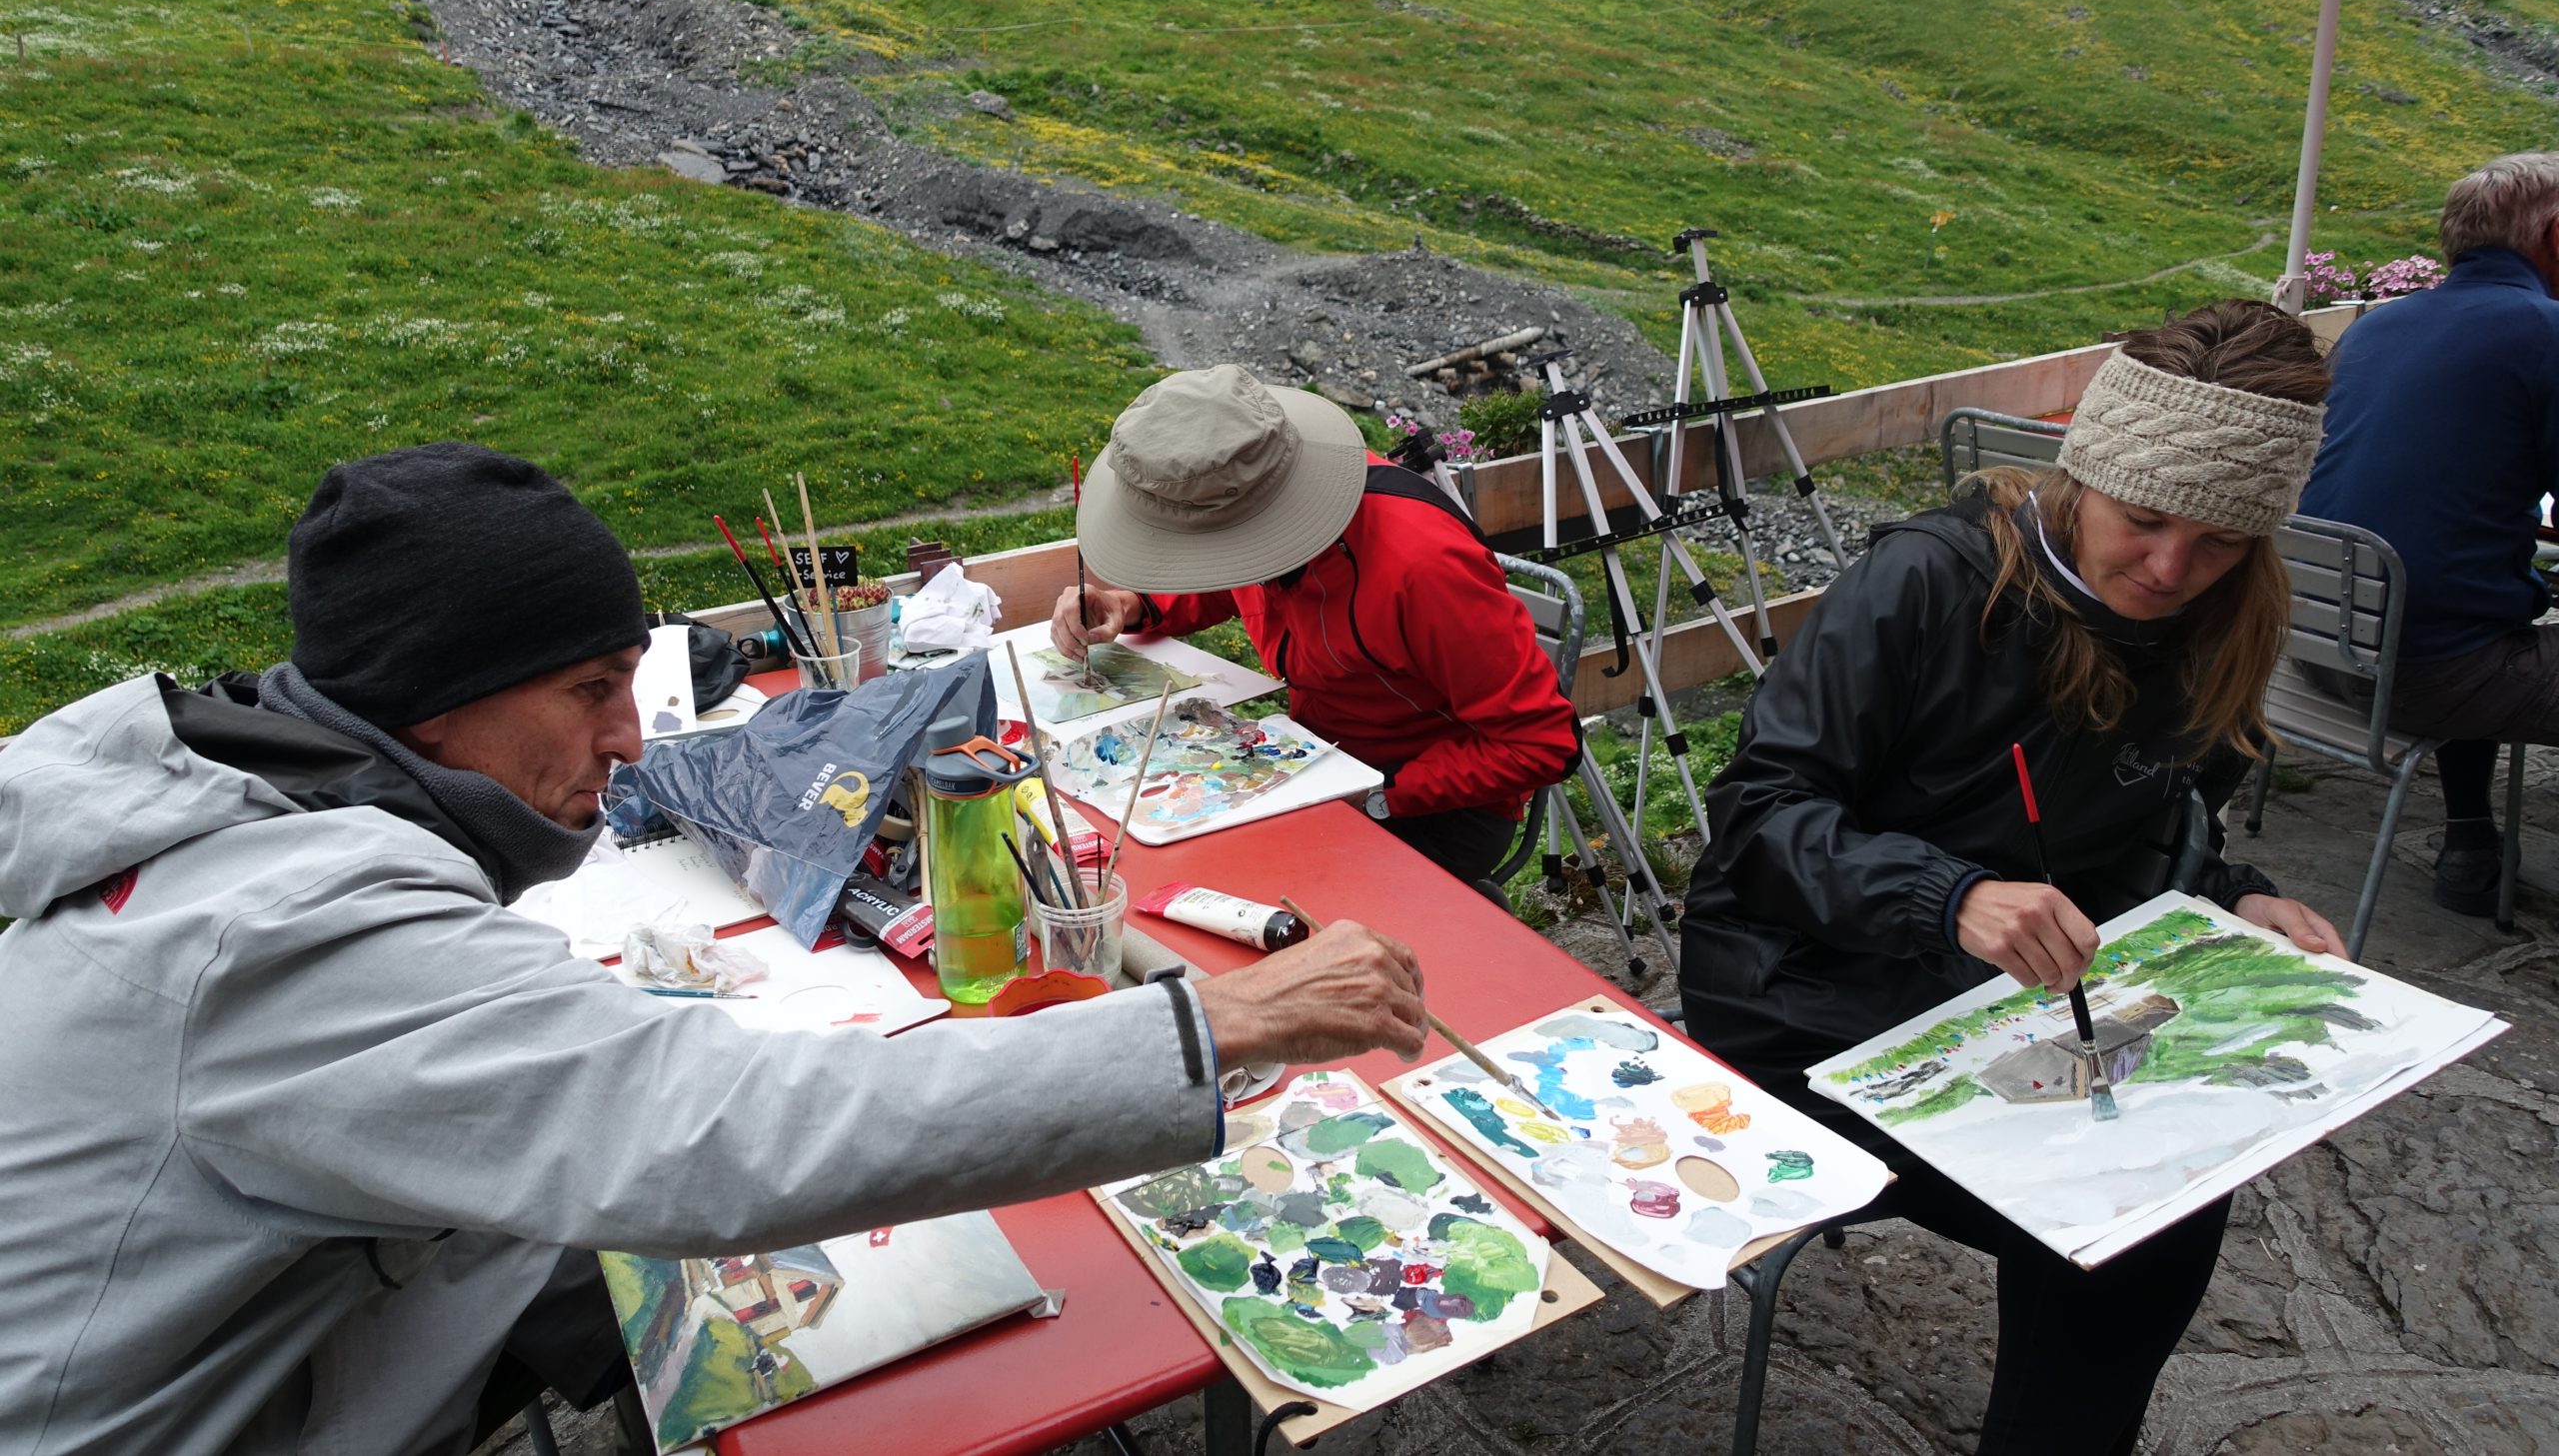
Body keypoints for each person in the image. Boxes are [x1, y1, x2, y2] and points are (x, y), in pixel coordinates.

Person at [0, 443, 1428, 1456]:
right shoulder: (283, 931)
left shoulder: (256, 816)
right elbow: (725, 1131)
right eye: (589, 687)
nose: (631, 737)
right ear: (435, 700)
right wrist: (1218, 1027)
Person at [1680, 305, 2347, 1456]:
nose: (2170, 569)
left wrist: (2229, 891)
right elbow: (1757, 818)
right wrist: (1947, 895)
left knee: (2173, 1179)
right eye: (2142, 521)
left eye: (2222, 541)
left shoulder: (2222, 616)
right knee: (2121, 1202)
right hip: (1806, 994)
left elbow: (2151, 827)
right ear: (2082, 476)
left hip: (2008, 996)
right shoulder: (1925, 585)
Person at [1051, 366, 1580, 889]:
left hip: (1431, 802)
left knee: (1237, 895)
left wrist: (1374, 793)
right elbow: (1225, 576)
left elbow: (1543, 742)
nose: (1207, 557)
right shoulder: (1258, 514)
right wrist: (1131, 604)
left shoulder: (1424, 568)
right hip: (1312, 760)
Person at [2299, 150, 2559, 913]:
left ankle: (2472, 841)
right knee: (2480, 627)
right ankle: (2471, 844)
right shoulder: (2545, 330)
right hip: (2428, 674)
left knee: (2476, 606)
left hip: (2320, 649)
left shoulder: (2377, 329)